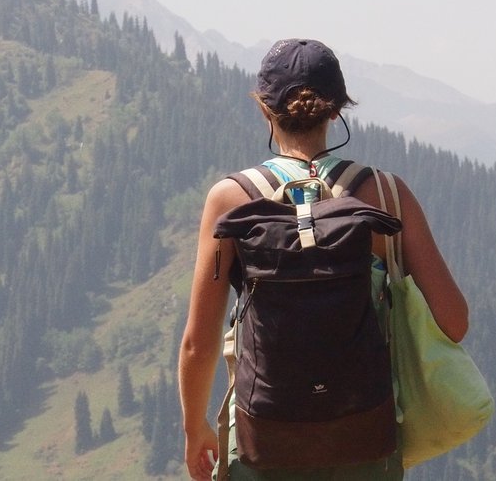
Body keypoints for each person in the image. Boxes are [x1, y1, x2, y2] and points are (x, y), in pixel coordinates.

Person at [177, 38, 470, 480]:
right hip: (364, 438)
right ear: (337, 111)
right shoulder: (387, 196)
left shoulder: (231, 200)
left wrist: (193, 427)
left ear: (264, 109)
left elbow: (199, 342)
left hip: (263, 440)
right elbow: (454, 321)